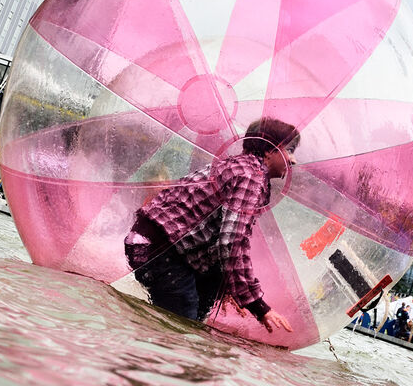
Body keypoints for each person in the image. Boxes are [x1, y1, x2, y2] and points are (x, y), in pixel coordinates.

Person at [123, 117, 298, 334]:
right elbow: (231, 243)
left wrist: (231, 287)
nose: (293, 160)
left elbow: (216, 237)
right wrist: (259, 306)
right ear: (270, 149)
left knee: (188, 323)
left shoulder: (237, 166)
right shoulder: (251, 177)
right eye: (289, 150)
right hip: (162, 251)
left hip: (153, 244)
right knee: (180, 333)